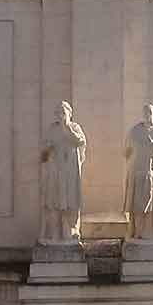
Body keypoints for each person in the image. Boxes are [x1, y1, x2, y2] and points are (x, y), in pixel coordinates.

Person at [39, 101, 87, 244]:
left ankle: (71, 231)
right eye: (58, 113)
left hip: (70, 172)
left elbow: (80, 141)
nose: (61, 116)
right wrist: (48, 148)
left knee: (71, 201)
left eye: (63, 113)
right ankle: (55, 233)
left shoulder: (75, 127)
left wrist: (67, 129)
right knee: (55, 200)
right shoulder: (52, 129)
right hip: (56, 171)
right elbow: (44, 152)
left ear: (69, 114)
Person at [124, 103, 153, 242]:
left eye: (151, 113)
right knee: (139, 202)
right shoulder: (135, 131)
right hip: (139, 171)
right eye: (146, 112)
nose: (148, 115)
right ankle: (138, 230)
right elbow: (127, 151)